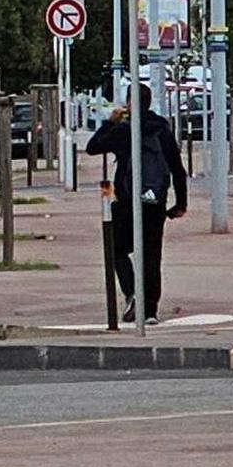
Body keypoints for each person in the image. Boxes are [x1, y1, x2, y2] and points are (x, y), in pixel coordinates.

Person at [84, 81, 189, 323]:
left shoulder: (123, 130)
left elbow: (92, 148)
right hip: (155, 202)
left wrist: (110, 122)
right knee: (151, 255)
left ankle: (132, 293)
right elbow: (177, 168)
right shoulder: (161, 128)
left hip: (126, 201)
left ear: (131, 102)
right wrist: (180, 203)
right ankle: (150, 311)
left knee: (117, 249)